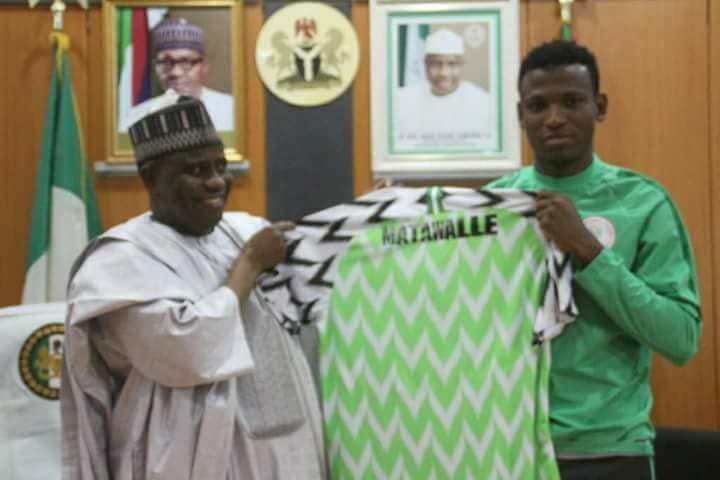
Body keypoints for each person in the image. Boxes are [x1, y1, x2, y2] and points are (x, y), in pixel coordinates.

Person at [61, 95, 326, 479]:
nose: (216, 181)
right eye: (197, 170)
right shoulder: (117, 263)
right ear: (150, 177)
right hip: (179, 456)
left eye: (220, 166)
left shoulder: (243, 230)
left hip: (282, 450)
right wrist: (249, 264)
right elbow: (189, 350)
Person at [487, 39, 701, 479]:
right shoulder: (492, 208)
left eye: (572, 101)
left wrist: (588, 250)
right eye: (538, 105)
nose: (554, 118)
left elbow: (680, 337)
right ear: (520, 115)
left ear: (599, 107)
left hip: (611, 451)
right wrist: (388, 229)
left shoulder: (643, 203)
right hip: (508, 444)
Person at [119, 17, 234, 132]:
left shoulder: (232, 111)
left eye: (186, 61)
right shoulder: (134, 118)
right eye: (166, 62)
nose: (175, 72)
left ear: (204, 66)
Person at [394, 28, 496, 151]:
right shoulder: (402, 100)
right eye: (436, 64)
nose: (444, 73)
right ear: (425, 64)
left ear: (461, 64)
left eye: (452, 64)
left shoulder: (484, 103)